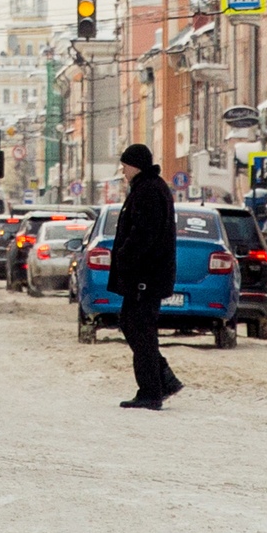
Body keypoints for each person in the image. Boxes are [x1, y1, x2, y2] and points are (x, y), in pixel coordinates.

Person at [110, 144, 181, 410]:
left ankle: (152, 391)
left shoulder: (149, 190)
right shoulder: (148, 187)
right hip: (145, 275)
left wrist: (125, 256)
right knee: (132, 325)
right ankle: (162, 381)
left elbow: (144, 234)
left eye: (125, 165)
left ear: (136, 165)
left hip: (145, 276)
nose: (123, 170)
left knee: (140, 329)